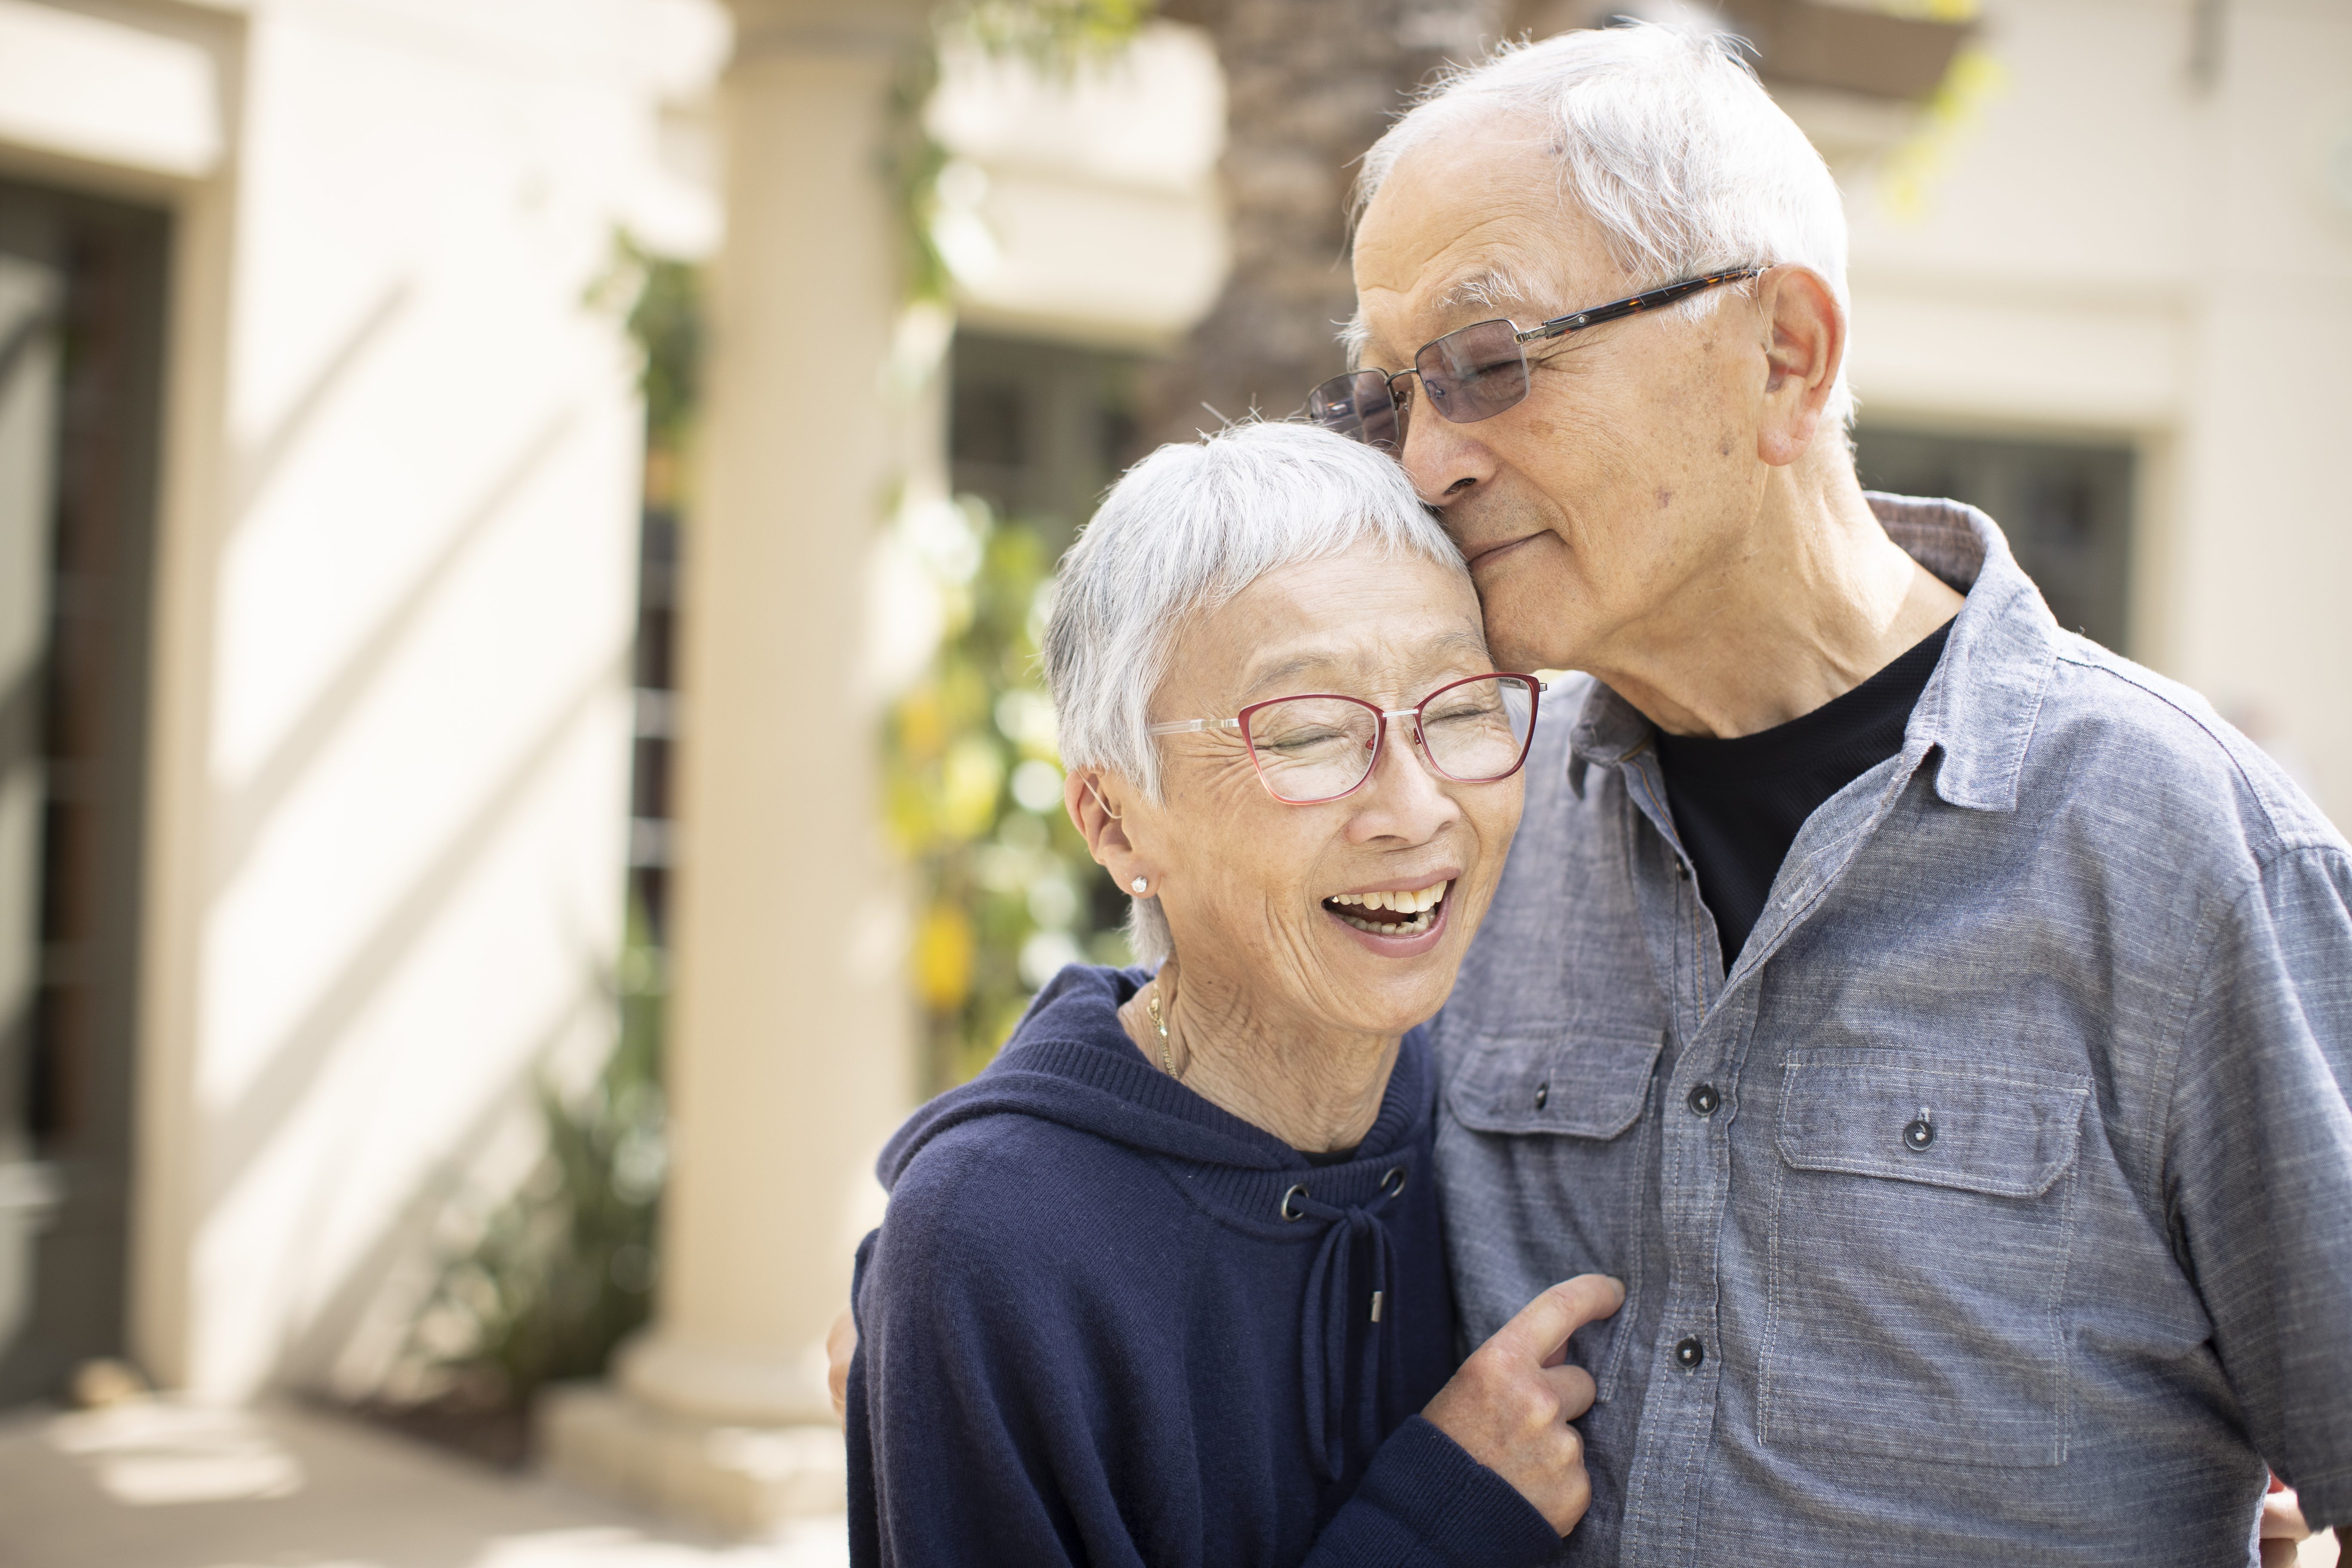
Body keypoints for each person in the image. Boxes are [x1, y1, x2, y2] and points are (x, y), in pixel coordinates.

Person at [1308, 21, 2352, 1565]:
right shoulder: (1459, 818)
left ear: (1785, 354)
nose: (1423, 462)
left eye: (1486, 363)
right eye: (1389, 395)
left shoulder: (2188, 853)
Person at [845, 420, 1619, 1567]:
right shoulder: (991, 1245)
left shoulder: (1511, 1113)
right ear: (1114, 819)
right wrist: (1439, 1522)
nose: (1414, 811)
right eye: (1308, 734)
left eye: (1460, 711)